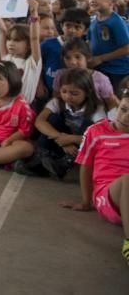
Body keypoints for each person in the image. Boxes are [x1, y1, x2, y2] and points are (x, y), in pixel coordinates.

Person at [64, 86, 129, 266]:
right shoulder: (96, 131)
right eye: (123, 109)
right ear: (118, 105)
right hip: (108, 194)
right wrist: (86, 202)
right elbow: (86, 166)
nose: (126, 116)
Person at [21, 68, 105, 179]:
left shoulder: (96, 108)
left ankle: (65, 164)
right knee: (53, 119)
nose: (68, 97)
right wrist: (61, 138)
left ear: (88, 92)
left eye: (74, 93)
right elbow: (39, 122)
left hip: (81, 144)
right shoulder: (58, 101)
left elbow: (101, 136)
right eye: (64, 91)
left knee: (90, 126)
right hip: (62, 141)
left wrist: (72, 139)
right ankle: (41, 158)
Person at [88, 0, 129, 86]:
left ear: (112, 1)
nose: (92, 0)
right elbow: (90, 42)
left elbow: (126, 48)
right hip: (100, 68)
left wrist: (101, 58)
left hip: (117, 71)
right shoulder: (93, 19)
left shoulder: (116, 22)